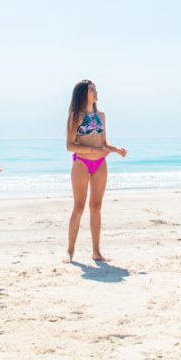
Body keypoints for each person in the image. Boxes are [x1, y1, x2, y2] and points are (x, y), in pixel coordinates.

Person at [63, 80, 127, 264]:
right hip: (82, 163)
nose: (95, 92)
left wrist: (116, 150)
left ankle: (96, 252)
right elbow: (70, 146)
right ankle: (70, 250)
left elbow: (103, 143)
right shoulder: (75, 116)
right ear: (83, 94)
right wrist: (93, 151)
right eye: (92, 90)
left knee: (96, 207)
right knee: (79, 207)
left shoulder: (101, 116)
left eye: (95, 89)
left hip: (100, 163)